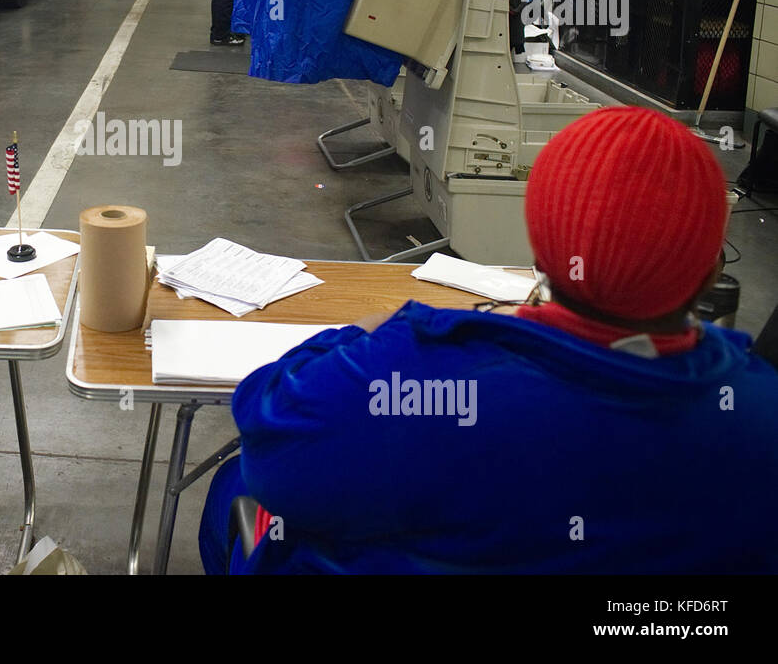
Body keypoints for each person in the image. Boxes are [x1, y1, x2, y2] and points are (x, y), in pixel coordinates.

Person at [200, 106, 778, 573]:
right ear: (707, 273)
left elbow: (269, 431)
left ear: (541, 249)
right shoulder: (756, 411)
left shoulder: (414, 379)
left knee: (241, 494)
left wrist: (368, 334)